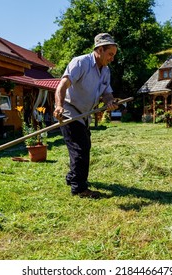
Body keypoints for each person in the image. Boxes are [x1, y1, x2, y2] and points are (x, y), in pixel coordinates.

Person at [53, 33, 119, 199]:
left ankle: (72, 178)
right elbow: (62, 85)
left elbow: (107, 93)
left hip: (85, 115)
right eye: (110, 54)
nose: (112, 58)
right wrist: (59, 105)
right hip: (70, 110)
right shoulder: (80, 62)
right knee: (80, 148)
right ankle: (79, 188)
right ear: (100, 49)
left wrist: (110, 102)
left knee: (83, 146)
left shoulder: (105, 71)